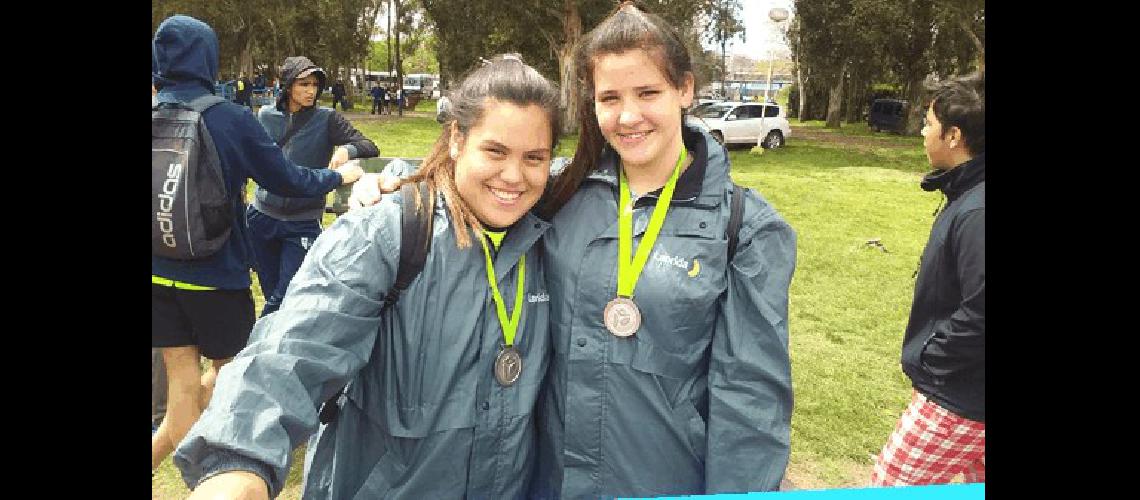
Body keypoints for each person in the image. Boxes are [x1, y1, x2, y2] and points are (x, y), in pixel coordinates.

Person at [351, 3, 797, 497]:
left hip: (660, 483)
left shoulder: (746, 230)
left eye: (647, 92)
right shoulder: (559, 192)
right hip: (546, 483)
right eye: (609, 97)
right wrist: (397, 184)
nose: (628, 116)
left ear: (685, 89)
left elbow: (750, 403)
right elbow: (487, 173)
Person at [175, 54, 562, 499]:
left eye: (535, 157)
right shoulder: (388, 230)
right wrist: (237, 464)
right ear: (457, 138)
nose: (513, 176)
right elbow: (294, 345)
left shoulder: (553, 236)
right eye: (495, 151)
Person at [151, 14, 364, 471]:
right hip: (217, 277)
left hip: (158, 277)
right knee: (236, 384)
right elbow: (286, 179)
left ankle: (190, 473)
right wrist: (338, 175)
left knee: (182, 391)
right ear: (207, 57)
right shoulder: (229, 119)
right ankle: (222, 478)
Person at [870, 72, 985, 487]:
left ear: (953, 136)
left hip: (958, 396)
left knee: (891, 486)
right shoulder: (966, 195)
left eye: (928, 124)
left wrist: (933, 358)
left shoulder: (976, 210)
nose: (922, 132)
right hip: (968, 390)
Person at [246, 56, 380, 317]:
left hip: (302, 222)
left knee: (285, 297)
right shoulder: (265, 116)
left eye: (315, 85)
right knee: (270, 288)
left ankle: (262, 341)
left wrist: (346, 149)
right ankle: (274, 346)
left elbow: (369, 145)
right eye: (303, 84)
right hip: (262, 217)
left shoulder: (327, 118)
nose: (311, 91)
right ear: (287, 86)